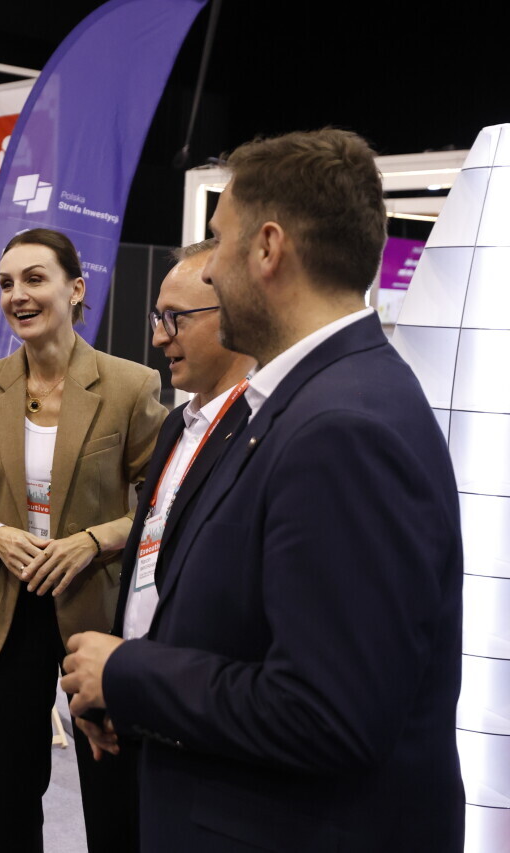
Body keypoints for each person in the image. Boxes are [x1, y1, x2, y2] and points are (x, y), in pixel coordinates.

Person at [62, 129, 465, 851]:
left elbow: (327, 711)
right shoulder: (310, 400)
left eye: (219, 241)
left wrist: (129, 671)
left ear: (269, 247)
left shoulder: (341, 428)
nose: (211, 270)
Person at [0, 227, 166, 852]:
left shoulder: (130, 386)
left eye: (34, 279)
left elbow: (162, 505)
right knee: (9, 804)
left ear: (76, 289)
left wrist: (92, 541)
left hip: (97, 612)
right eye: (6, 283)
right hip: (6, 615)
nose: (17, 294)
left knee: (112, 799)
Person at [76, 239, 255, 847]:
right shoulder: (178, 423)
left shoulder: (267, 436)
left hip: (198, 732)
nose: (158, 337)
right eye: (158, 317)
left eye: (175, 318)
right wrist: (114, 686)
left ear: (233, 312)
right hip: (135, 710)